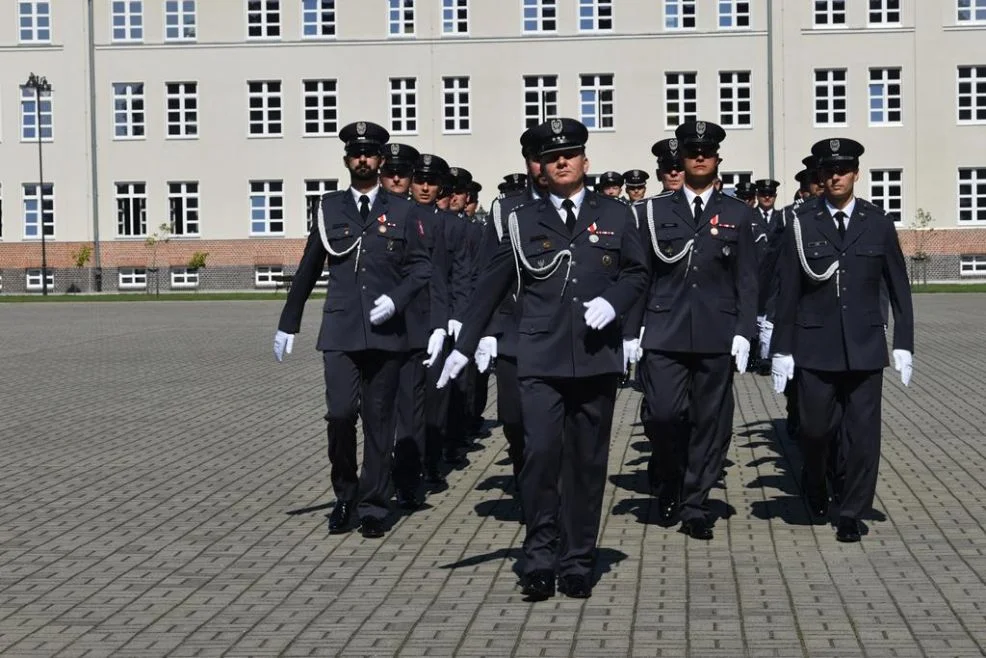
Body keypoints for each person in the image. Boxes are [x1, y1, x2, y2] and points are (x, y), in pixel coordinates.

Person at [438, 118, 648, 600]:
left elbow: (639, 273)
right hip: (539, 357)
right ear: (540, 168)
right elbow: (490, 284)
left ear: (585, 161)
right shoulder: (519, 220)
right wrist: (465, 345)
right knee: (538, 457)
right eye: (553, 157)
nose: (562, 161)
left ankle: (577, 560)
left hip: (595, 359)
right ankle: (538, 558)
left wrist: (615, 302)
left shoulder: (618, 216)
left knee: (587, 463)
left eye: (571, 153)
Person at [272, 121, 431, 538]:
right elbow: (309, 266)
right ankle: (345, 492)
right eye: (356, 153)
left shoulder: (404, 210)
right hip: (341, 330)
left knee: (380, 421)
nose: (363, 159)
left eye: (370, 153)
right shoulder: (329, 208)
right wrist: (290, 321)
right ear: (347, 161)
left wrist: (397, 298)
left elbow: (421, 268)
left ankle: (374, 504)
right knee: (341, 414)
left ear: (380, 160)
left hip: (386, 332)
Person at [771, 137, 914, 543]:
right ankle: (815, 481)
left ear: (855, 174)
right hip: (815, 347)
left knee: (864, 436)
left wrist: (904, 341)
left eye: (844, 169)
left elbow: (898, 286)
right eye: (829, 171)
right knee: (815, 431)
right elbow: (789, 291)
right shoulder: (801, 224)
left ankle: (851, 510)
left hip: (866, 346)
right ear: (821, 176)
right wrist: (781, 348)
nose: (836, 176)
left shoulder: (878, 222)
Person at [630, 120, 757, 539]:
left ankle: (695, 503)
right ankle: (667, 476)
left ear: (718, 159)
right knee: (664, 414)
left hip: (716, 332)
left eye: (707, 151)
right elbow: (639, 276)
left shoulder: (738, 212)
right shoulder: (653, 211)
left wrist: (744, 331)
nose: (700, 156)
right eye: (691, 151)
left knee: (710, 422)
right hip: (664, 330)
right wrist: (633, 331)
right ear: (681, 160)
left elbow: (747, 279)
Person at [470, 127, 550, 509]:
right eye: (535, 157)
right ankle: (523, 470)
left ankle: (546, 491)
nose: (541, 165)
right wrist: (485, 331)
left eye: (547, 156)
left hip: (557, 331)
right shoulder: (506, 208)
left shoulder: (583, 205)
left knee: (550, 423)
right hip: (512, 328)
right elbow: (489, 273)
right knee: (514, 419)